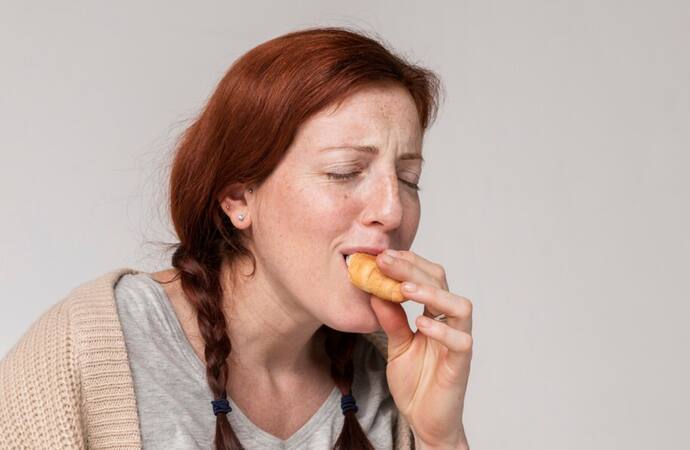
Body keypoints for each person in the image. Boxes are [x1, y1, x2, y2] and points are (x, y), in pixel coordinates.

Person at [0, 26, 473, 450]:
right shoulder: (86, 352)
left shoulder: (389, 377)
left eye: (408, 179)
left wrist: (440, 437)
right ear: (238, 199)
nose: (392, 211)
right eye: (344, 171)